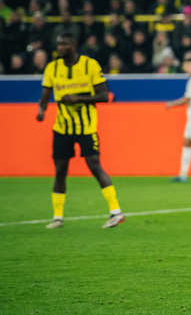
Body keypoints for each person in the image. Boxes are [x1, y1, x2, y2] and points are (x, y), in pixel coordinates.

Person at [37, 33, 125, 229]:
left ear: (74, 45)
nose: (61, 47)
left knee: (94, 164)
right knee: (60, 170)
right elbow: (45, 93)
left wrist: (78, 98)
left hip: (86, 126)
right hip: (62, 127)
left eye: (65, 43)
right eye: (59, 43)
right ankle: (57, 217)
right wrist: (41, 110)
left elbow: (104, 95)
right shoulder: (52, 67)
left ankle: (116, 211)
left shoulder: (90, 65)